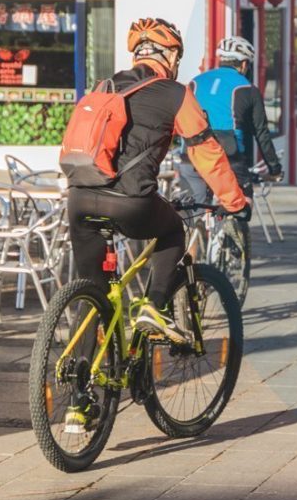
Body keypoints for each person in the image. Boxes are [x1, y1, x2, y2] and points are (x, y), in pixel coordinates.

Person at [66, 18, 249, 345]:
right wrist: (235, 202)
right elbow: (205, 151)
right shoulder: (175, 93)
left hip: (79, 199)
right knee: (172, 229)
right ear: (170, 56)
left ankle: (82, 387)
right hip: (130, 202)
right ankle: (154, 306)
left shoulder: (103, 87)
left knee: (93, 291)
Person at [181, 36, 284, 259]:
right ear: (245, 64)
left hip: (192, 154)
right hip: (228, 156)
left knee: (193, 215)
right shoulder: (248, 88)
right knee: (242, 200)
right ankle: (234, 228)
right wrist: (274, 168)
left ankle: (189, 269)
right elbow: (261, 134)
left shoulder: (195, 82)